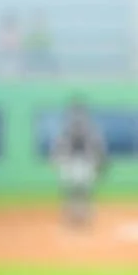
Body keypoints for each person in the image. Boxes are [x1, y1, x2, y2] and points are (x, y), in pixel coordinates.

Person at [51, 99, 107, 232]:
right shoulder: (66, 129)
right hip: (70, 161)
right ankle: (71, 216)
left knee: (84, 191)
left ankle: (84, 216)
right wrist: (58, 158)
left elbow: (97, 146)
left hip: (85, 161)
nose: (77, 116)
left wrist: (99, 160)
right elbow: (59, 146)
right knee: (71, 191)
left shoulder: (90, 130)